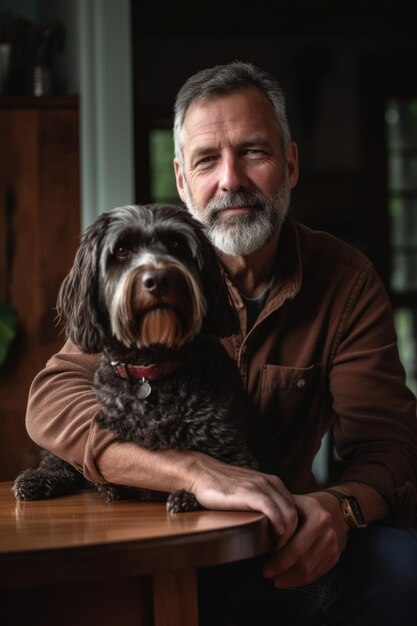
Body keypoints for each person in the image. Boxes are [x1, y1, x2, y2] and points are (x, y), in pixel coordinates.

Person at [26, 62, 417, 624]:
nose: (231, 179)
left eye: (253, 152)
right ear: (183, 181)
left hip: (270, 548)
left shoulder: (346, 281)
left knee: (401, 564)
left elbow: (391, 450)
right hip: (137, 545)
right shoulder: (141, 275)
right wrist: (191, 472)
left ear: (291, 164)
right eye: (207, 160)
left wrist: (339, 509)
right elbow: (50, 403)